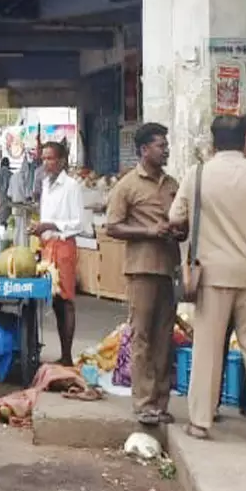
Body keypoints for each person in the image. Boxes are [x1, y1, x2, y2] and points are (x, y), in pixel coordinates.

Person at [169, 111, 246, 444]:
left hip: (211, 275)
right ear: (244, 139)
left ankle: (200, 422)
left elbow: (175, 217)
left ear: (213, 141)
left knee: (207, 348)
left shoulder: (198, 174)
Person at [102, 122, 182, 426]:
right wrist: (149, 231)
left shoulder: (173, 183)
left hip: (168, 267)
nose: (165, 150)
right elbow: (113, 226)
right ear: (144, 149)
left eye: (166, 145)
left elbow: (183, 223)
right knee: (142, 336)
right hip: (141, 269)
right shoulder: (128, 185)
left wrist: (178, 229)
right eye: (160, 145)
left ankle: (161, 401)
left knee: (165, 338)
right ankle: (144, 402)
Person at [30, 140, 82, 365]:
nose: (46, 163)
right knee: (55, 302)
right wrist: (39, 228)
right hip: (47, 247)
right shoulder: (46, 184)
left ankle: (68, 356)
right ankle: (63, 354)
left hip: (63, 246)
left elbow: (78, 223)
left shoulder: (71, 186)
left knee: (66, 300)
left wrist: (50, 226)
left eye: (50, 158)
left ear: (61, 161)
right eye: (43, 159)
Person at [0, 157, 13, 224]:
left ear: (1, 164)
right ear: (8, 165)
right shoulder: (11, 175)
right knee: (8, 225)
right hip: (8, 203)